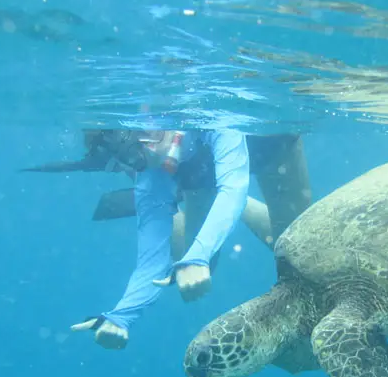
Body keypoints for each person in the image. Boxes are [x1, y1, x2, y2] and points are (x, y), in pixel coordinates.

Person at [23, 128, 312, 351]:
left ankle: (235, 209)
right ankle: (214, 212)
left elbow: (234, 185)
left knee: (300, 252)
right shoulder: (150, 173)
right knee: (204, 268)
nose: (143, 159)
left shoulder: (211, 117)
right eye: (129, 160)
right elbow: (151, 259)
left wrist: (197, 255)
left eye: (142, 146)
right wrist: (121, 315)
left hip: (270, 148)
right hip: (200, 175)